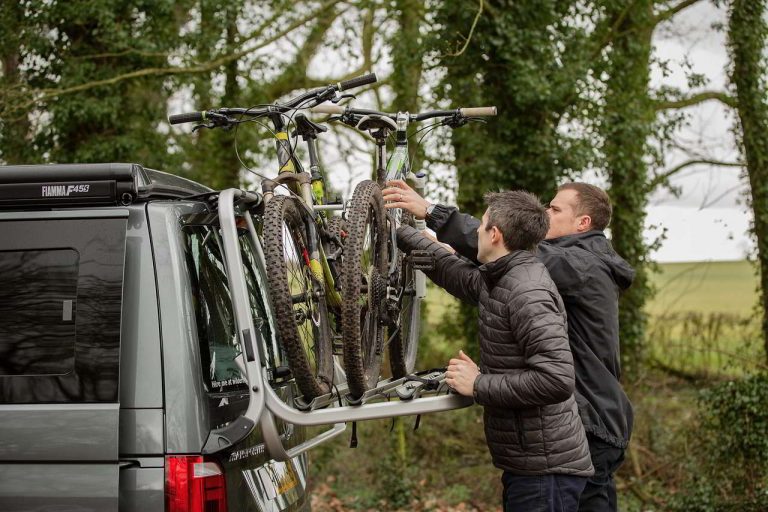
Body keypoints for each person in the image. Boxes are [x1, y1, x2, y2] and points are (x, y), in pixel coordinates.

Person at [384, 180, 635, 512]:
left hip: (588, 425)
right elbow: (482, 280)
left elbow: (509, 253)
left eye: (555, 209)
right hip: (569, 429)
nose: (546, 213)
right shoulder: (545, 268)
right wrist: (416, 241)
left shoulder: (578, 265)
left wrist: (433, 213)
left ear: (583, 223)